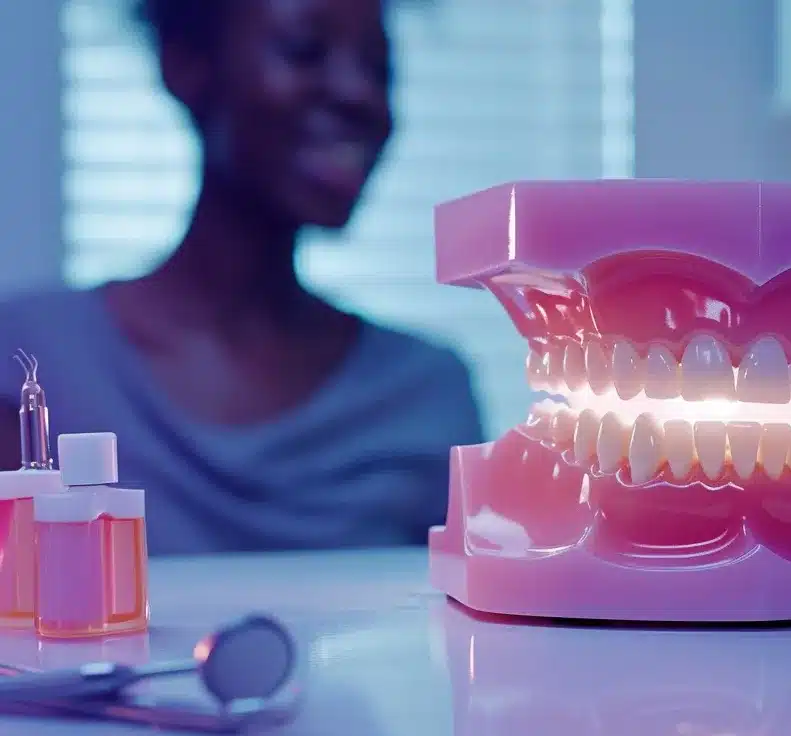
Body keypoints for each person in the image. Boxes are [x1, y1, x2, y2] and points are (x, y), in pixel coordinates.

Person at [0, 0, 484, 553]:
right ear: (185, 66)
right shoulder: (30, 364)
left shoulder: (427, 392)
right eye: (305, 51)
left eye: (379, 69)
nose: (359, 94)